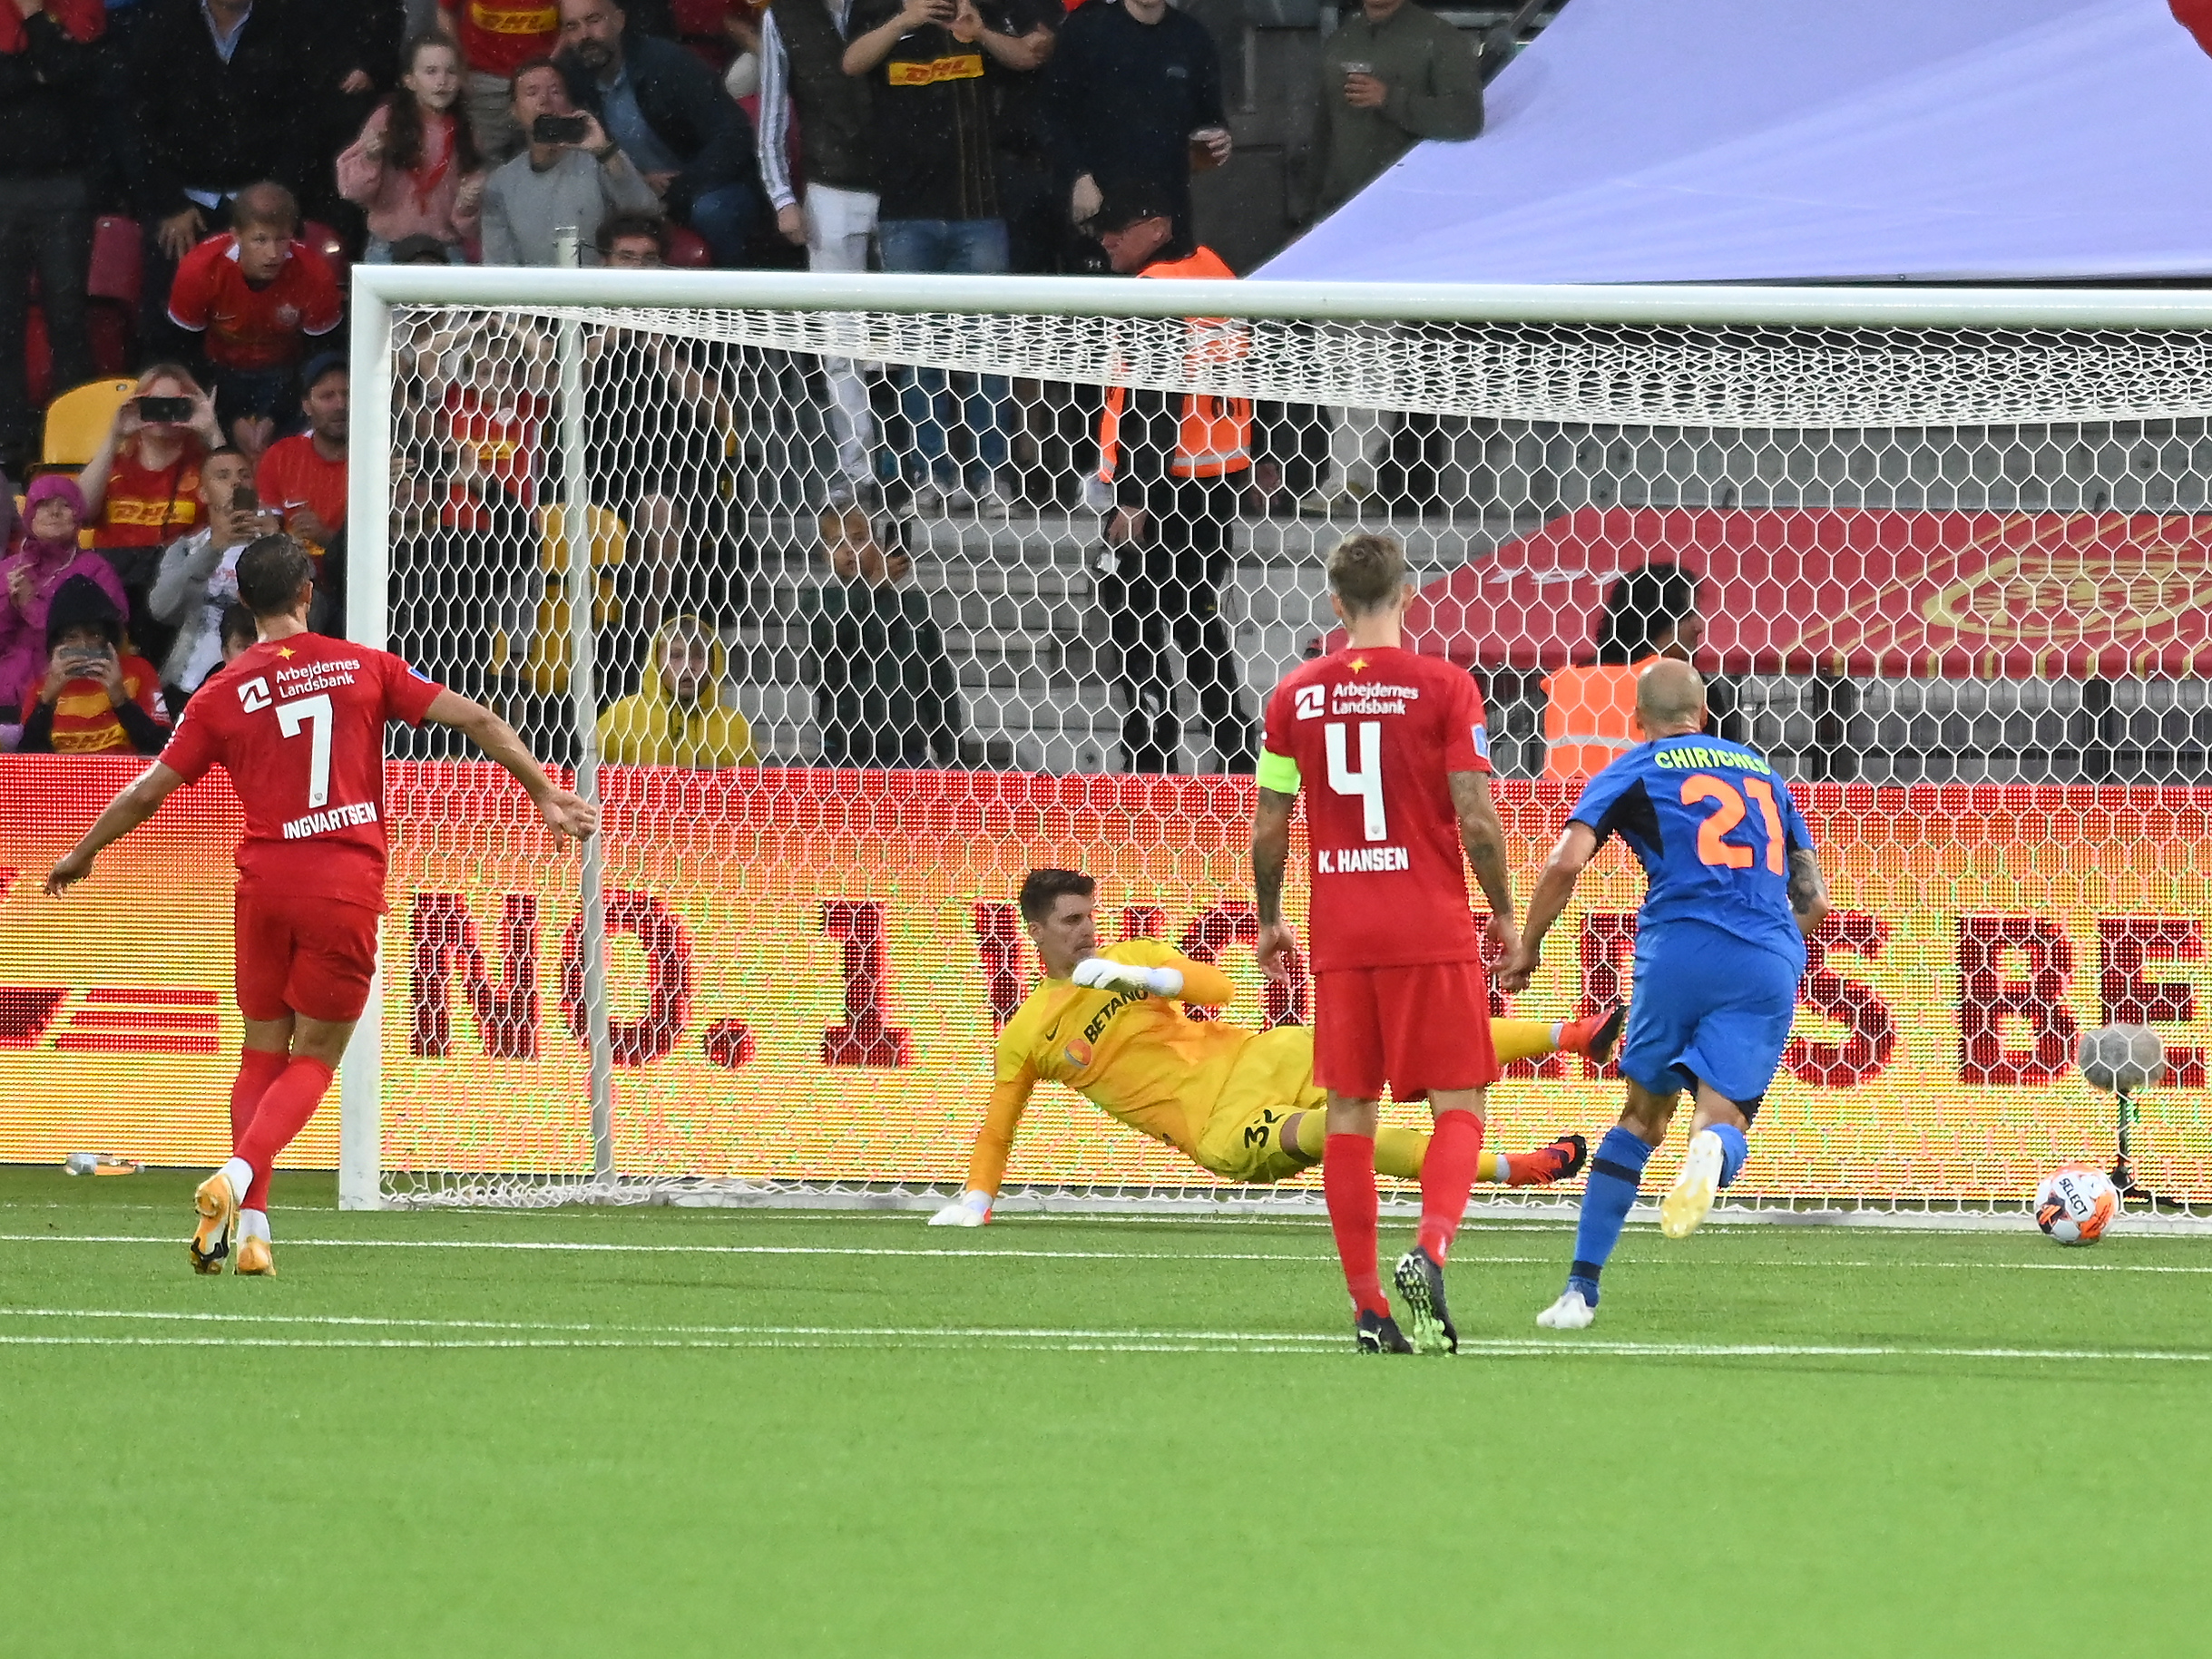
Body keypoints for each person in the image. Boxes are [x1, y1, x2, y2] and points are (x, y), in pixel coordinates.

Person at [43, 535, 599, 1277]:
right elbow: (480, 721)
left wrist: (82, 851)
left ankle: (251, 1233)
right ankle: (237, 1177)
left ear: (243, 601)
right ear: (308, 592)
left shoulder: (222, 690)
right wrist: (543, 790)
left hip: (264, 885)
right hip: (342, 880)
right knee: (316, 1056)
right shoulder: (365, 666)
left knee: (260, 1050)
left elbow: (148, 791)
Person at [926, 867, 1609, 1227]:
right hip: (1220, 1125)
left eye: (1090, 917)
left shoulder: (1128, 958)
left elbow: (1217, 987)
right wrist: (977, 1198)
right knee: (1340, 1133)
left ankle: (1576, 1034)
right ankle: (1512, 1169)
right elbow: (998, 1126)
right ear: (1036, 931)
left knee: (1409, 1042)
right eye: (1071, 922)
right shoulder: (1025, 1037)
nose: (1086, 932)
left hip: (1261, 1056)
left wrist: (1138, 977)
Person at [1249, 531, 1519, 1355]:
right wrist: (1505, 913)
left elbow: (1270, 824)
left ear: (1335, 602)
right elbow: (1474, 815)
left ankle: (1369, 1308)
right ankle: (1429, 1249)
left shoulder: (1294, 696)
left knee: (1349, 1113)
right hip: (1426, 919)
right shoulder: (1445, 687)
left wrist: (1269, 918)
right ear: (1408, 594)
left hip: (1342, 927)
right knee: (1460, 1101)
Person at [1500, 659, 1830, 1330]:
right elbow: (1815, 899)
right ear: (1704, 714)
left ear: (1637, 720)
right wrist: (1767, 945)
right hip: (1766, 954)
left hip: (1676, 950)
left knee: (1642, 1120)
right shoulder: (1765, 773)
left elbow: (1565, 861)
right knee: (1722, 1123)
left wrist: (1528, 943)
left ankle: (1578, 1293)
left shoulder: (1637, 765)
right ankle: (1711, 1150)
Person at [842, 0, 1049, 513]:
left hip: (978, 211)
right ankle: (931, 474)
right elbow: (851, 63)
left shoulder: (981, 10)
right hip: (905, 212)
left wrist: (980, 34)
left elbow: (1029, 57)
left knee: (985, 351)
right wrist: (903, 23)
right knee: (917, 352)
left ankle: (992, 476)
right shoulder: (880, 9)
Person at [1090, 191, 1256, 775]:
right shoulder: (1217, 272)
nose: (1104, 239)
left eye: (1116, 228)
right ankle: (1236, 756)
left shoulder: (1155, 289)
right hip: (1215, 478)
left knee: (1138, 629)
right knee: (1199, 622)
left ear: (1158, 227)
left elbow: (1150, 402)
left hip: (1160, 486)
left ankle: (1150, 766)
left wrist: (1130, 497)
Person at [129, 0, 308, 360]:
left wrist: (272, 203)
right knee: (169, 333)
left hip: (262, 207)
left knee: (265, 335)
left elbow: (301, 123)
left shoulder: (286, 23)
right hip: (182, 207)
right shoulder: (163, 24)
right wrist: (170, 202)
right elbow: (137, 124)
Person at [756, 0, 879, 502]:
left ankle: (930, 470)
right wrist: (783, 197)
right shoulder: (782, 15)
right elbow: (772, 115)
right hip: (830, 189)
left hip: (909, 188)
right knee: (841, 342)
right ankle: (859, 468)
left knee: (917, 339)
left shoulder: (892, 5)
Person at [556, 0, 759, 265]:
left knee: (712, 211)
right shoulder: (572, 76)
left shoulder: (667, 63)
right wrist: (636, 177)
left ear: (619, 20)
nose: (584, 35)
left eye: (594, 20)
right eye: (572, 26)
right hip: (630, 192)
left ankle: (733, 299)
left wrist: (680, 188)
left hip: (704, 186)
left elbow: (735, 133)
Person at [165, 181, 344, 462]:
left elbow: (319, 356)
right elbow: (183, 353)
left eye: (281, 239)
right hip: (217, 372)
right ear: (236, 235)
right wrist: (228, 414)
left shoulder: (315, 275)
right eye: (260, 240)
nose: (272, 254)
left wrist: (277, 412)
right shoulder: (199, 270)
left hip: (288, 374)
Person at [0, 0, 102, 477]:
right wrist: (36, 73)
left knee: (68, 317)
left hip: (65, 186)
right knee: (4, 322)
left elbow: (76, 73)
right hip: (3, 187)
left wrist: (36, 19)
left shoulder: (76, 8)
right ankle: (11, 439)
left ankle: (73, 434)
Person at [1041, 0, 1229, 250]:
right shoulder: (1086, 30)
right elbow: (1052, 115)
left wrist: (1219, 140)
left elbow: (1210, 119)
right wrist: (1077, 177)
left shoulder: (1192, 37)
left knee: (1166, 284)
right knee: (1101, 287)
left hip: (1167, 212)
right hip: (1099, 204)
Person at [1543, 561, 1743, 779]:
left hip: (1565, 811)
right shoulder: (1688, 687)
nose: (1699, 626)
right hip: (1651, 810)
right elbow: (1728, 778)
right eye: (1688, 614)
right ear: (1659, 619)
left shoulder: (1566, 683)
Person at [807, 506, 960, 766]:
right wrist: (874, 584)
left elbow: (939, 682)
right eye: (837, 543)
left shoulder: (913, 607)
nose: (849, 550)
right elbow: (830, 641)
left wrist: (951, 751)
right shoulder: (820, 603)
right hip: (841, 754)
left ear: (879, 545)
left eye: (858, 539)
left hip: (905, 753)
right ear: (825, 554)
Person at [479, 56, 661, 266]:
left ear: (570, 104)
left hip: (598, 290)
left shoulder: (600, 159)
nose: (545, 100)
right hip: (534, 295)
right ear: (515, 111)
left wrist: (604, 151)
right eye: (532, 92)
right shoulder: (500, 183)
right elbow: (499, 264)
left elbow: (647, 215)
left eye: (555, 91)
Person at [1313, 0, 1480, 220]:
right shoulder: (1339, 44)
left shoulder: (1442, 39)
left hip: (1414, 214)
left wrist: (1389, 98)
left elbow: (1465, 117)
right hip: (1340, 212)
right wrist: (1307, 219)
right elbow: (1323, 136)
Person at [336, 30, 487, 262]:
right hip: (387, 248)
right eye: (431, 72)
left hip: (446, 250)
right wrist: (371, 158)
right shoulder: (386, 119)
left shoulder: (466, 130)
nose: (442, 81)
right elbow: (353, 191)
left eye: (451, 72)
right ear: (409, 80)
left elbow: (470, 228)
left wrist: (467, 204)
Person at [150, 446, 279, 705]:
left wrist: (277, 544)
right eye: (223, 476)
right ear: (204, 493)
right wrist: (212, 549)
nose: (235, 482)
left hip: (261, 684)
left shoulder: (274, 545)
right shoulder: (186, 548)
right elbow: (160, 609)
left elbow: (310, 606)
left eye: (244, 475)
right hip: (189, 686)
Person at [0, 475, 130, 717]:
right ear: (30, 515)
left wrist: (31, 605)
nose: (54, 512)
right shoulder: (7, 569)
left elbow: (99, 637)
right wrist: (8, 604)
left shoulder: (95, 569)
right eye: (43, 505)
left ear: (78, 515)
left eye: (65, 505)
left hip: (68, 693)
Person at [13, 574, 170, 756]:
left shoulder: (138, 672)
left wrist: (121, 700)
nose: (83, 645)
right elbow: (26, 762)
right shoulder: (41, 688)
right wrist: (47, 702)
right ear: (56, 643)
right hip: (65, 782)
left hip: (128, 780)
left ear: (108, 637)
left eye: (93, 634)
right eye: (71, 637)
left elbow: (162, 750)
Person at [596, 614, 759, 766]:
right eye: (676, 655)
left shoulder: (733, 726)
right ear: (656, 661)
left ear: (714, 663)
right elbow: (588, 778)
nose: (687, 666)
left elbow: (749, 791)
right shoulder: (622, 717)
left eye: (698, 656)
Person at [441, 0, 563, 161]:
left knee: (550, 159)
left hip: (543, 80)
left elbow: (575, 14)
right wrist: (458, 69)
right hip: (484, 80)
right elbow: (445, 12)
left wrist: (553, 65)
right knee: (484, 162)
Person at [255, 355, 350, 550]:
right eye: (327, 397)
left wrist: (328, 538)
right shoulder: (281, 456)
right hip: (292, 574)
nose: (341, 405)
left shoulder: (379, 458)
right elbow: (266, 532)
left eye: (348, 394)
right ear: (306, 405)